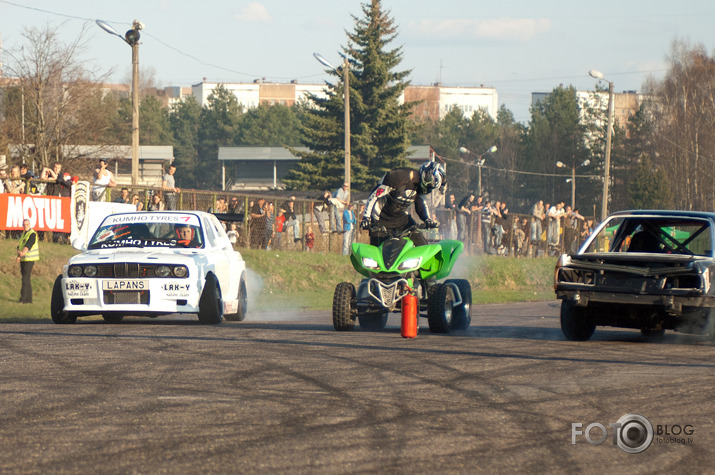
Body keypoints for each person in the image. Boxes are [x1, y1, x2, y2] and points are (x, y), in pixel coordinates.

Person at [361, 162, 445, 247]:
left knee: (422, 245)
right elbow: (374, 196)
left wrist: (427, 219)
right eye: (429, 186)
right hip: (380, 220)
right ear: (426, 176)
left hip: (401, 219)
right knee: (380, 255)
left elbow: (420, 204)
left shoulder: (420, 187)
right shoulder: (397, 177)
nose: (428, 190)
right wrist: (366, 218)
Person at [17, 218, 39, 304]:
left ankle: (23, 299)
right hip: (23, 259)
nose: (26, 226)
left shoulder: (32, 234)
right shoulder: (23, 235)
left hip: (29, 259)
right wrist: (19, 255)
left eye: (27, 224)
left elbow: (28, 245)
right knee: (26, 278)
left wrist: (22, 253)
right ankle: (29, 299)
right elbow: (19, 246)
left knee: (25, 279)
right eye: (24, 224)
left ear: (30, 225)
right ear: (22, 226)